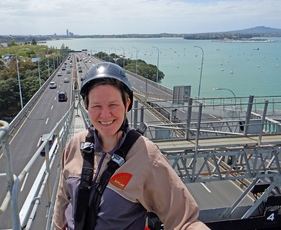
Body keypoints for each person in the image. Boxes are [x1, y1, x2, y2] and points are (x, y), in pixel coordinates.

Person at [52, 62, 209, 230]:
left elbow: (184, 221)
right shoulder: (76, 145)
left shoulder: (146, 156)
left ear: (127, 105)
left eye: (113, 105)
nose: (105, 114)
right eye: (96, 106)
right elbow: (63, 197)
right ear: (87, 107)